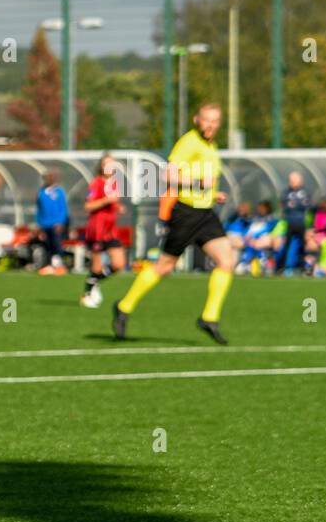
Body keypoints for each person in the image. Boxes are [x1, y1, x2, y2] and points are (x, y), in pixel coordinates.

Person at [112, 102, 234, 344]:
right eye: (206, 120)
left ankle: (209, 317)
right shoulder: (189, 142)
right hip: (186, 213)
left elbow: (206, 182)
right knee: (164, 266)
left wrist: (213, 194)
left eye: (215, 121)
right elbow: (168, 175)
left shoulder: (211, 146)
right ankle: (124, 306)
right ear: (196, 120)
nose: (210, 125)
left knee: (227, 261)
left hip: (205, 213)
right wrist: (199, 184)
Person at [80, 153, 126, 308]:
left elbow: (112, 204)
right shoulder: (96, 183)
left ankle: (94, 282)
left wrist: (118, 207)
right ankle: (87, 293)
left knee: (119, 264)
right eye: (106, 164)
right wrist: (106, 200)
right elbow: (88, 206)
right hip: (97, 230)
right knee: (96, 266)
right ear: (101, 166)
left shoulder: (114, 183)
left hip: (111, 231)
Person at [277, 171, 312, 274]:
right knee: (286, 246)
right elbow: (285, 205)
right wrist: (295, 204)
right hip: (289, 223)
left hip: (301, 223)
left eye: (295, 180)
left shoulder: (305, 191)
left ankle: (302, 268)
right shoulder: (286, 192)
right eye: (291, 180)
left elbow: (306, 205)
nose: (292, 182)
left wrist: (294, 204)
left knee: (302, 246)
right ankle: (281, 267)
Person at [35, 170, 69, 273]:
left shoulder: (59, 192)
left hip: (56, 224)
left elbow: (63, 208)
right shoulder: (41, 193)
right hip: (45, 225)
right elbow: (39, 210)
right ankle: (49, 266)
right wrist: (39, 225)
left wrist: (61, 222)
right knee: (47, 246)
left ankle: (59, 266)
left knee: (57, 245)